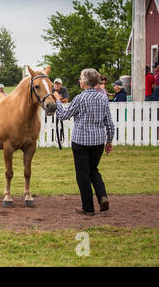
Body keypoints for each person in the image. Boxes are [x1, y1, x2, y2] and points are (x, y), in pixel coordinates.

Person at [53, 68, 114, 216]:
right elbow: (110, 123)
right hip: (98, 141)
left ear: (85, 82)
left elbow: (63, 114)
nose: (79, 81)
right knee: (93, 170)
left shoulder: (80, 99)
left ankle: (88, 208)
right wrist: (109, 141)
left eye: (81, 78)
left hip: (81, 141)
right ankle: (102, 196)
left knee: (82, 174)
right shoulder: (103, 99)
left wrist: (57, 100)